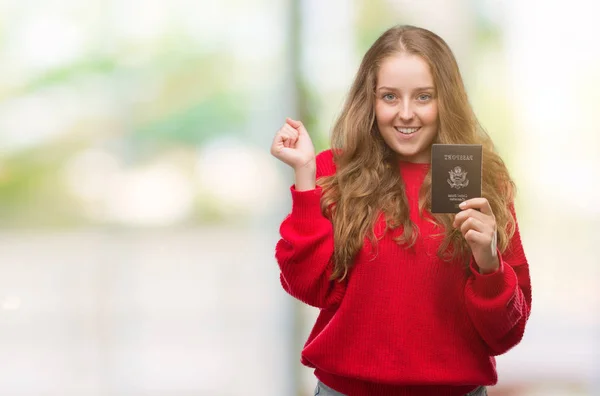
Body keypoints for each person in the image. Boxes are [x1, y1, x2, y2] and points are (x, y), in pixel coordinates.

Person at [270, 25, 531, 396]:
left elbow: (506, 334)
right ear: (370, 99)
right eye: (390, 97)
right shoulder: (334, 172)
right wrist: (306, 178)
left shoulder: (480, 180)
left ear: (447, 100)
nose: (406, 114)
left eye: (423, 97)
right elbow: (309, 287)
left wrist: (489, 264)